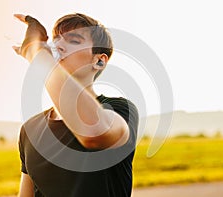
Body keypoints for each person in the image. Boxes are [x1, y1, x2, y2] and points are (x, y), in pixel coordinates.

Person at [13, 13, 139, 197]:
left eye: (74, 41)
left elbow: (92, 132)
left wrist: (37, 54)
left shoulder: (119, 110)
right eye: (56, 40)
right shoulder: (30, 129)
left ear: (99, 60)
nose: (58, 46)